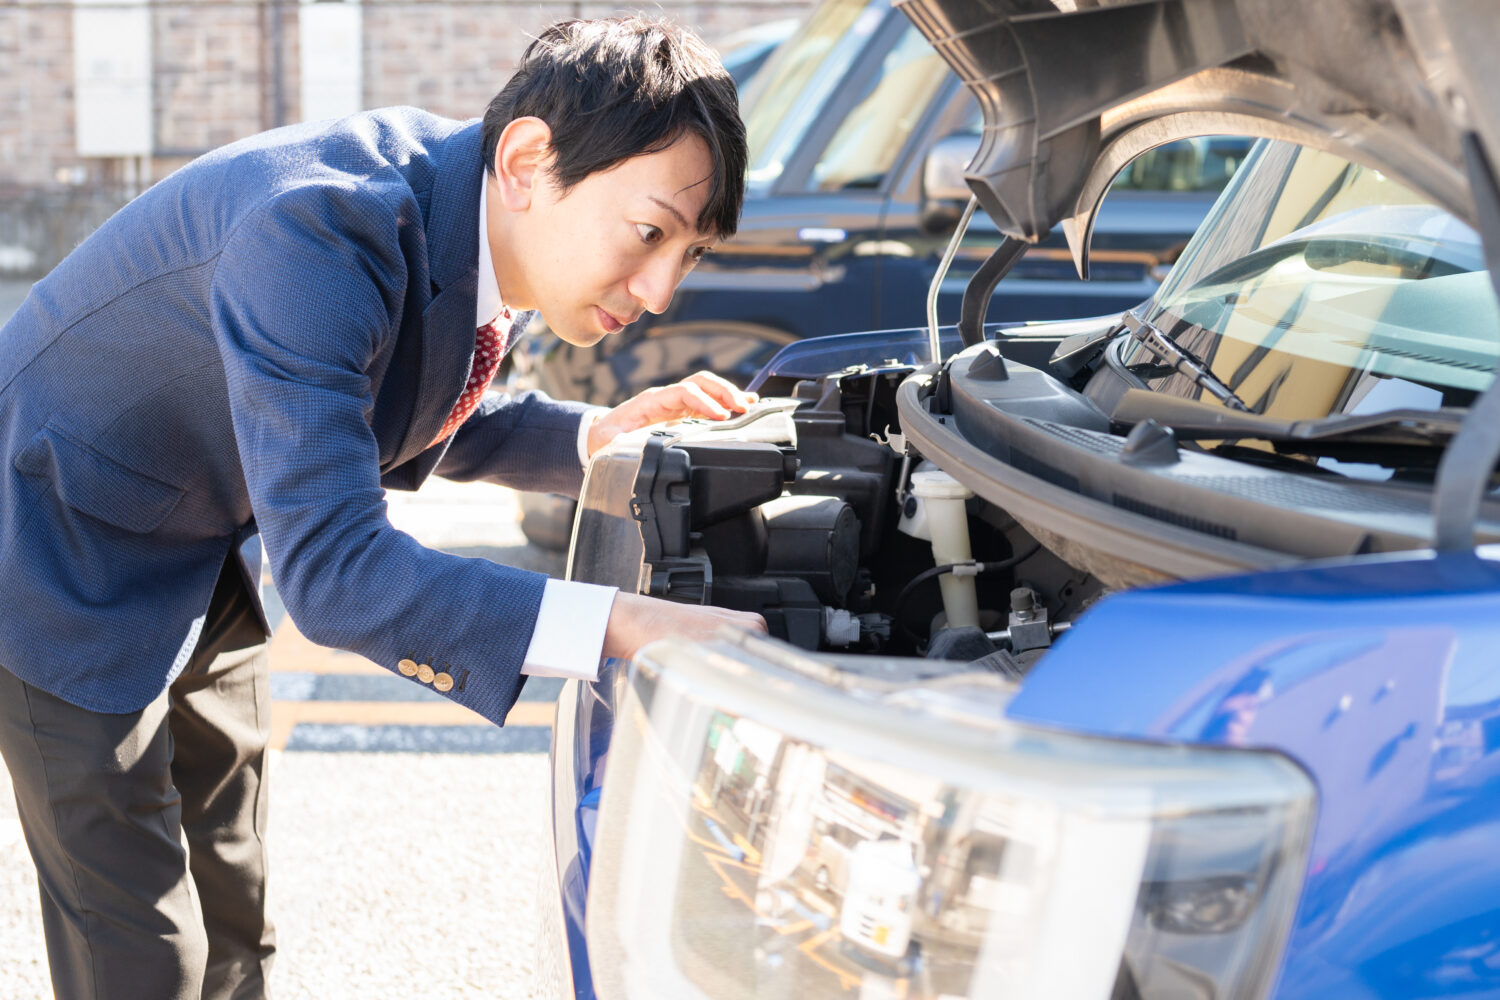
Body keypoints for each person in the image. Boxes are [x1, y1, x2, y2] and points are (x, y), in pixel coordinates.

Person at [0, 16, 765, 999]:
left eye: (691, 254)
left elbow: (405, 394)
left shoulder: (462, 205)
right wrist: (620, 624)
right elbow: (336, 574)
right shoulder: (318, 230)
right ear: (531, 159)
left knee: (235, 904)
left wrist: (591, 438)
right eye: (653, 232)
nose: (662, 291)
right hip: (54, 537)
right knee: (142, 951)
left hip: (194, 531)